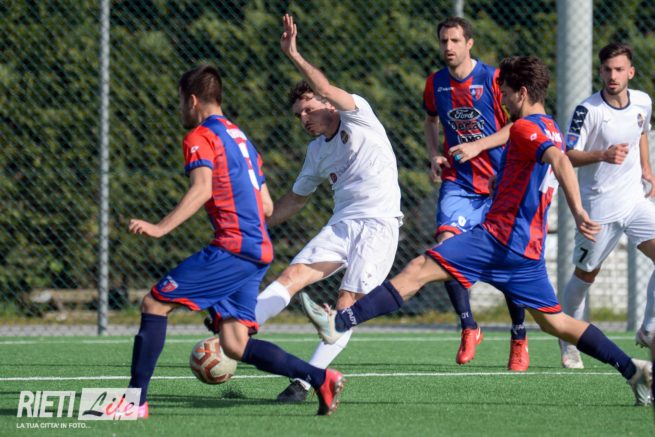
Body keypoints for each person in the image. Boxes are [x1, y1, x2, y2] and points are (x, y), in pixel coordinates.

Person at [301, 56, 653, 406]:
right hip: (527, 249)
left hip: (498, 238)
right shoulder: (552, 128)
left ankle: (340, 323)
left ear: (522, 92)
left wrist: (578, 212)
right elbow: (544, 162)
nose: (502, 100)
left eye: (506, 93)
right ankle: (632, 369)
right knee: (556, 323)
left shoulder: (524, 128)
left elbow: (559, 161)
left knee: (418, 269)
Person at [127, 65, 345, 418]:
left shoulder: (199, 136)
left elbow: (202, 189)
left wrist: (160, 227)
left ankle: (132, 403)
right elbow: (267, 206)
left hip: (232, 248)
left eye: (180, 102)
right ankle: (320, 377)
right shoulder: (240, 138)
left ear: (193, 100)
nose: (180, 109)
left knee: (154, 304)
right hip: (258, 249)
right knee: (234, 343)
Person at [208, 14, 402, 403]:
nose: (304, 118)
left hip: (379, 226)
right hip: (342, 226)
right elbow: (294, 200)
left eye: (308, 109)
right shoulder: (316, 152)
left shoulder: (358, 115)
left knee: (346, 304)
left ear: (327, 103)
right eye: (298, 114)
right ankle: (234, 332)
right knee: (292, 275)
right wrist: (254, 226)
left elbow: (325, 85)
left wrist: (294, 55)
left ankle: (305, 382)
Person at [423, 16, 528, 370]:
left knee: (509, 262)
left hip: (500, 184)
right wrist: (433, 154)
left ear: (469, 43)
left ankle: (519, 335)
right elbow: (430, 120)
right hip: (460, 183)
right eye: (444, 41)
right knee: (445, 249)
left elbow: (518, 125)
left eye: (455, 40)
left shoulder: (493, 79)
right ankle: (469, 326)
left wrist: (479, 145)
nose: (448, 47)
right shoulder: (435, 83)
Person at [559, 42, 655, 369]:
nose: (613, 76)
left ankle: (649, 329)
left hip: (634, 201)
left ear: (631, 72)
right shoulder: (588, 110)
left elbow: (642, 131)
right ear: (600, 72)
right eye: (607, 70)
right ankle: (568, 338)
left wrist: (646, 169)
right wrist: (602, 154)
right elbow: (567, 155)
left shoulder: (643, 101)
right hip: (599, 207)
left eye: (619, 70)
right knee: (585, 275)